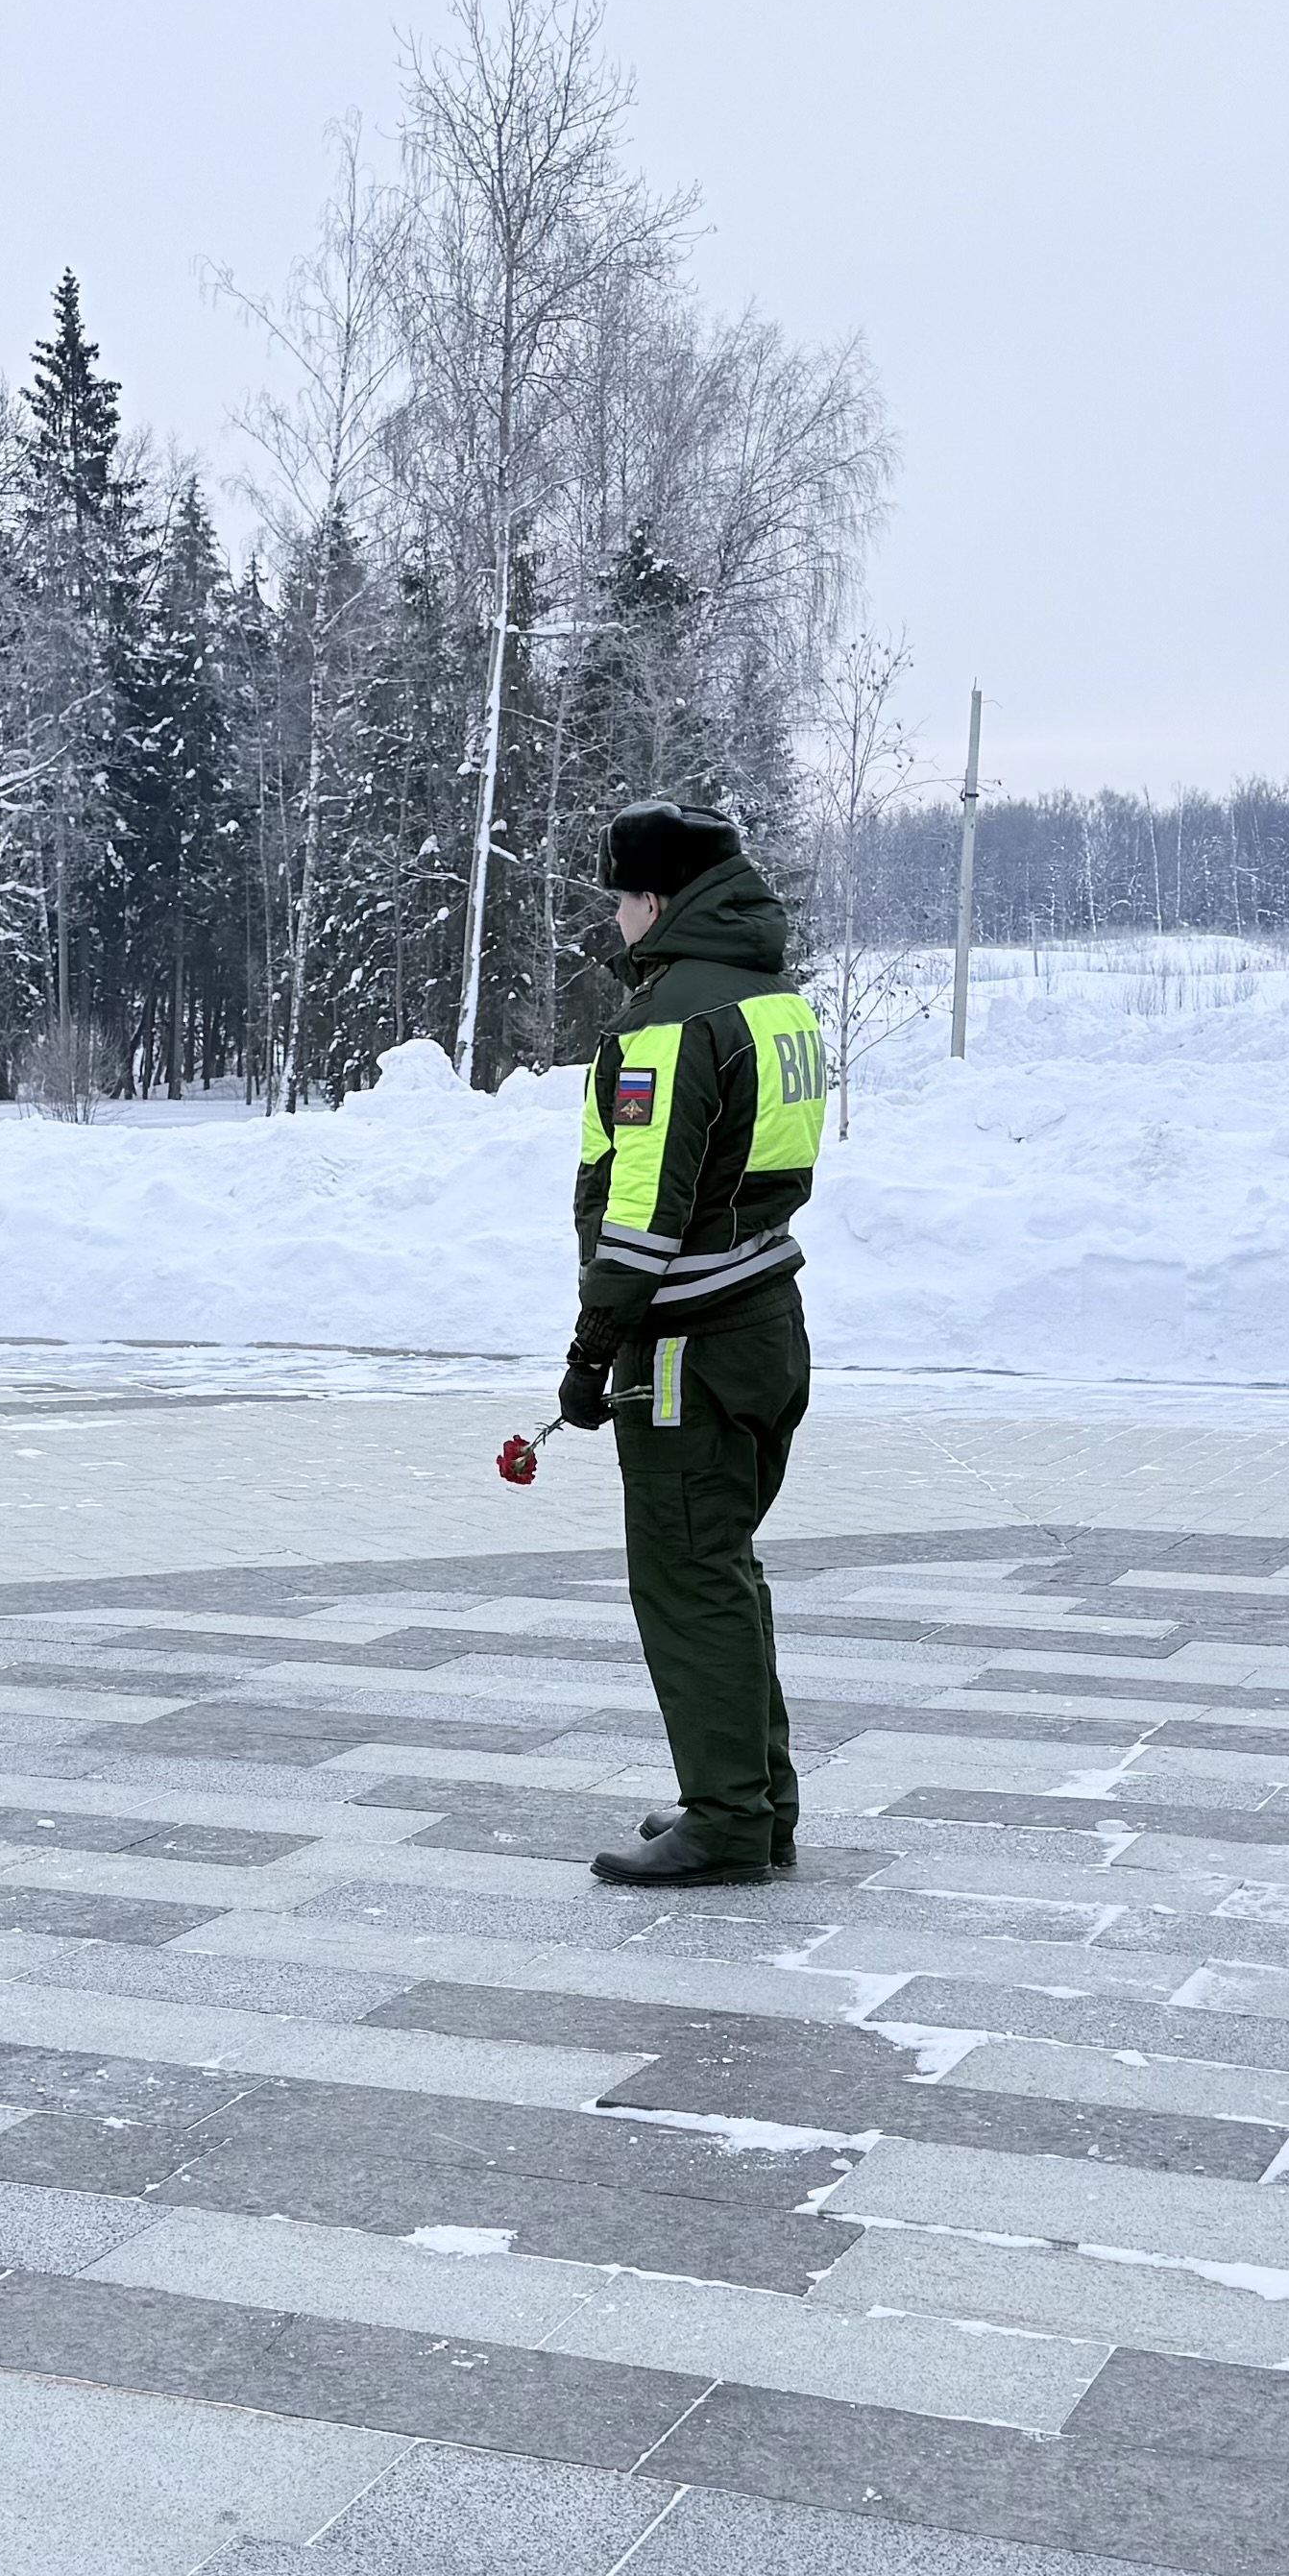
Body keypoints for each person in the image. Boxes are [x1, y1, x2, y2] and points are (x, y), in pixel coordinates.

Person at [558, 802, 828, 1889]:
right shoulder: (775, 1001)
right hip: (765, 1319)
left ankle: (724, 1819)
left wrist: (593, 1346)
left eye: (620, 897)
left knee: (687, 1579)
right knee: (725, 1570)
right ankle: (758, 1800)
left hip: (687, 1343)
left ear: (658, 896)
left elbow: (644, 1199)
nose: (615, 919)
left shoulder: (671, 1019)